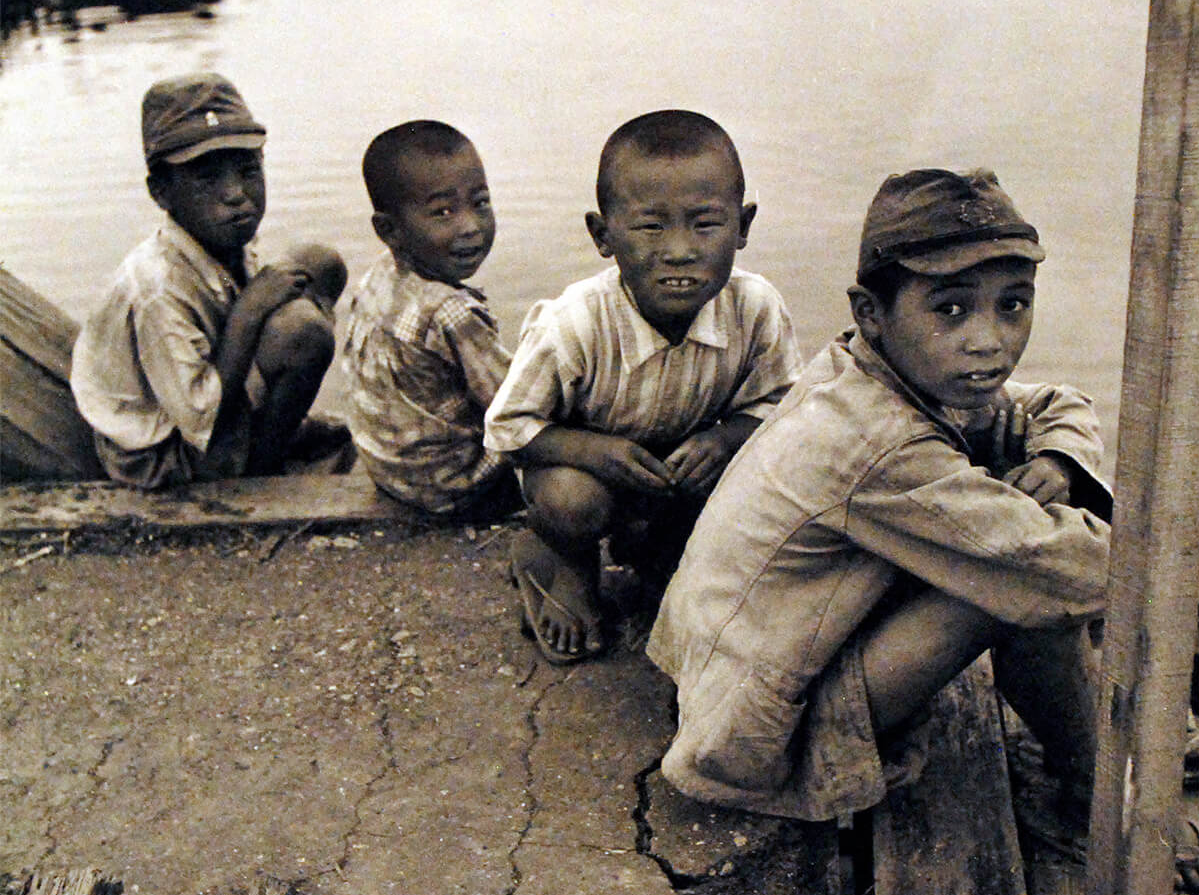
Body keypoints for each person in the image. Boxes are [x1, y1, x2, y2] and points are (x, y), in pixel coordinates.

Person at [646, 167, 1113, 823]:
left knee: (1030, 538)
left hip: (743, 666)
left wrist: (1060, 459)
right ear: (870, 311)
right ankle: (1096, 797)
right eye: (950, 308)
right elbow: (1068, 573)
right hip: (756, 731)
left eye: (1013, 303)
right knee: (1026, 586)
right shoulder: (875, 441)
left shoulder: (876, 366)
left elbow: (1058, 403)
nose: (990, 340)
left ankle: (1101, 727)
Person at [484, 110, 801, 666]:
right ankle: (564, 563)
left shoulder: (755, 308)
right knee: (572, 502)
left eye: (705, 224)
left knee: (758, 487)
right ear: (603, 235)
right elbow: (506, 429)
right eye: (651, 227)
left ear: (743, 227)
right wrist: (595, 452)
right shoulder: (574, 324)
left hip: (678, 472)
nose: (679, 250)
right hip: (588, 475)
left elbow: (781, 406)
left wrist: (725, 439)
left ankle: (656, 549)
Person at [71, 71, 345, 488]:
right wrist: (251, 312)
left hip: (204, 398)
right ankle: (258, 472)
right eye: (207, 178)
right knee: (303, 334)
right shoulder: (156, 289)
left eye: (248, 170)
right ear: (161, 192)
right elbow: (197, 413)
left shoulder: (217, 239)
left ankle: (278, 424)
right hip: (166, 449)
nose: (236, 194)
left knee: (319, 263)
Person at [341, 121, 519, 520]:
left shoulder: (379, 276)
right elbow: (516, 402)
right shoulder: (450, 311)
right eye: (443, 212)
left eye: (481, 202)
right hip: (453, 486)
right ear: (390, 229)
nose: (471, 226)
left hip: (392, 471)